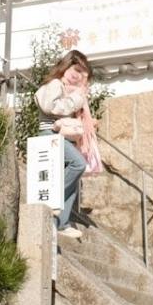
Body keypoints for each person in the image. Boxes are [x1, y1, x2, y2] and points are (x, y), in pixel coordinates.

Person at [36, 50, 101, 240]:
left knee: (76, 176)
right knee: (78, 164)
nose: (77, 74)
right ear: (66, 66)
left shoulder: (71, 90)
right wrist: (77, 99)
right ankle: (53, 203)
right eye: (75, 68)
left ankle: (61, 223)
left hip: (61, 136)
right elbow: (51, 107)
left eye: (82, 72)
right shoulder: (55, 84)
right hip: (49, 134)